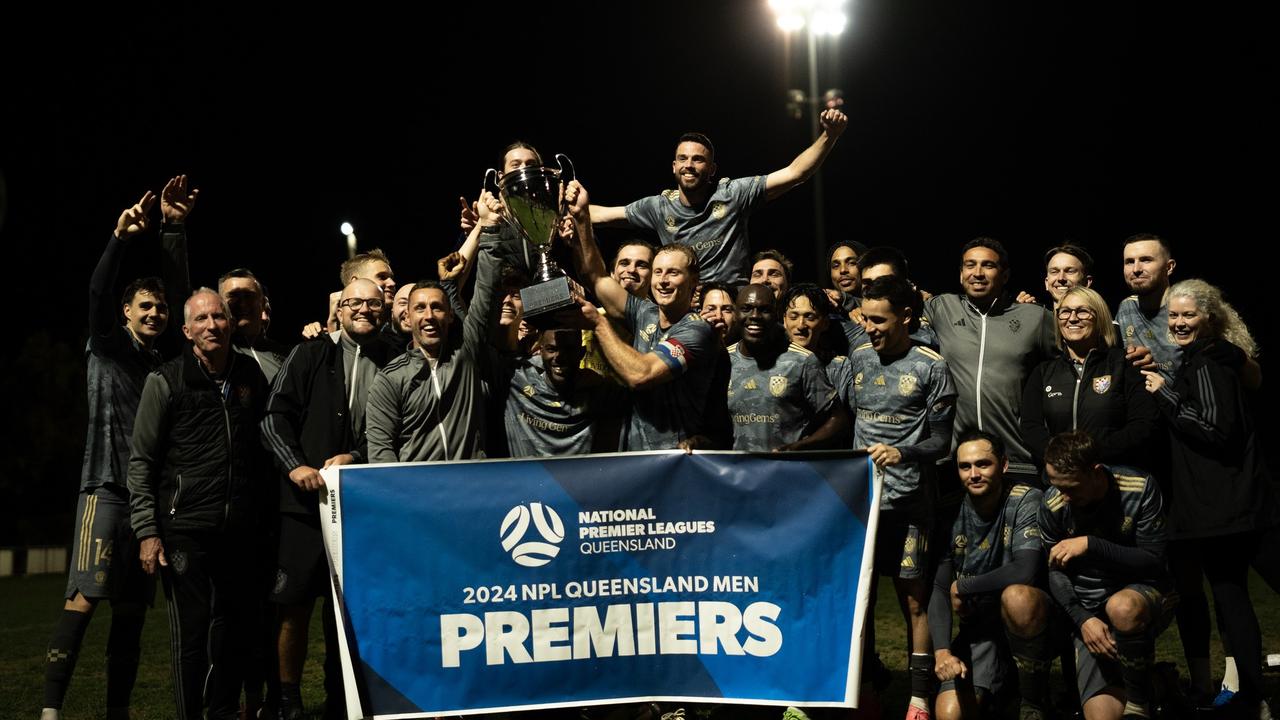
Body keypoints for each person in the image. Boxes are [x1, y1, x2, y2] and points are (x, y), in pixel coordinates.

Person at [41, 178, 193, 720]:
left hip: (147, 503)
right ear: (126, 311)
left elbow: (178, 287)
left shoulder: (165, 364)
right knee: (81, 604)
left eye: (160, 308)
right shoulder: (106, 347)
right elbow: (97, 293)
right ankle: (51, 710)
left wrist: (174, 229)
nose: (155, 313)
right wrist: (119, 238)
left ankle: (117, 713)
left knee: (130, 617)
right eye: (144, 306)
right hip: (105, 492)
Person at [127, 289, 271, 720]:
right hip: (184, 528)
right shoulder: (166, 381)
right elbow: (142, 462)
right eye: (202, 319)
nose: (213, 325)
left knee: (232, 628)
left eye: (219, 317)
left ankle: (222, 711)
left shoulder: (249, 375)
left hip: (239, 529)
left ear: (229, 324)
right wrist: (148, 531)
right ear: (187, 331)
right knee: (191, 633)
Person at [260, 278, 396, 719]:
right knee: (292, 606)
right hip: (301, 507)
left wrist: (357, 456)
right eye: (354, 302)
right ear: (338, 310)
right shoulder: (310, 352)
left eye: (373, 305)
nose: (363, 310)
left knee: (350, 612)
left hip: (361, 510)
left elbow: (393, 433)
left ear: (384, 310)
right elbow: (272, 416)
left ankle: (344, 696)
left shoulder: (394, 359)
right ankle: (288, 701)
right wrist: (294, 464)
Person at [1143, 279, 1274, 715]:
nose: (1179, 322)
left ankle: (1254, 695)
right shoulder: (1199, 358)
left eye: (1188, 315)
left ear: (1209, 318)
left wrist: (1164, 394)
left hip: (1234, 506)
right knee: (1231, 600)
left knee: (1234, 597)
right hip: (1220, 508)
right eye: (1174, 316)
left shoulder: (1208, 362)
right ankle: (1253, 697)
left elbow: (1219, 432)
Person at [849, 276, 957, 719]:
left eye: (879, 320)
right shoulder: (855, 360)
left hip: (910, 504)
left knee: (913, 601)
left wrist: (903, 451)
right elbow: (839, 420)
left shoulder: (931, 367)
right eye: (864, 318)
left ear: (906, 318)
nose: (869, 327)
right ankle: (867, 691)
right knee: (863, 603)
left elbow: (942, 443)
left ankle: (918, 698)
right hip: (861, 508)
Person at [589, 109, 848, 285]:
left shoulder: (733, 194)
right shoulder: (659, 207)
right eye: (683, 159)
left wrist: (830, 135)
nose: (689, 165)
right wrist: (557, 203)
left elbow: (796, 173)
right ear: (673, 166)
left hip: (733, 304)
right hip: (687, 308)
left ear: (711, 170)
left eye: (698, 159)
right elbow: (601, 214)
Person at [569, 180, 726, 451]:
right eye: (658, 272)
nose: (662, 281)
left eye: (673, 273)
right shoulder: (645, 312)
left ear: (693, 282)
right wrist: (582, 218)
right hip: (637, 460)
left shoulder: (696, 330)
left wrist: (598, 322)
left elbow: (641, 375)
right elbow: (597, 277)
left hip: (678, 463)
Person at [1038, 431, 1172, 720]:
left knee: (1121, 607)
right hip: (1089, 610)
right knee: (1100, 715)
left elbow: (1153, 561)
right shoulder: (1054, 503)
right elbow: (1055, 572)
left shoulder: (1139, 488)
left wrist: (1091, 544)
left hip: (1141, 595)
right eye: (1055, 485)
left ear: (1095, 472)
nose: (1063, 496)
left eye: (1071, 487)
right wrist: (1082, 618)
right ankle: (1159, 683)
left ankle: (1139, 704)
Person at [365, 208, 502, 462]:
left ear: (449, 316)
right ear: (407, 316)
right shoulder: (390, 378)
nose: (429, 315)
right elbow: (380, 451)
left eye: (437, 307)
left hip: (473, 486)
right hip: (420, 495)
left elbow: (486, 292)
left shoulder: (466, 354)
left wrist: (490, 228)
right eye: (420, 308)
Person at [931, 430, 1047, 720]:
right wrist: (942, 653)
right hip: (980, 631)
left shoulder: (1026, 499)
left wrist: (966, 586)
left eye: (983, 464)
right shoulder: (949, 510)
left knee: (1017, 596)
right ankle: (1000, 690)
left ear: (1004, 465)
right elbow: (940, 587)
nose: (974, 474)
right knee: (949, 714)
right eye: (965, 466)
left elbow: (1026, 570)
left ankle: (1033, 700)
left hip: (1028, 623)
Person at [925, 237, 1055, 485]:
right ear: (961, 273)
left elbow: (1074, 356)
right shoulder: (941, 308)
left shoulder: (1035, 317)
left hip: (1017, 459)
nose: (977, 273)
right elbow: (893, 307)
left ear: (1005, 275)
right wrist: (849, 304)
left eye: (988, 265)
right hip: (956, 462)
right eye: (970, 265)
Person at [1019, 286, 1157, 469]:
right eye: (1065, 312)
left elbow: (1143, 426)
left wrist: (1089, 454)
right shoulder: (1043, 373)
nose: (1073, 318)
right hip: (1061, 479)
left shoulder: (1126, 365)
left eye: (1082, 311)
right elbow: (1030, 428)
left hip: (1115, 477)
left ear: (1099, 317)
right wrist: (1062, 457)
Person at [725, 284, 846, 451]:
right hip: (736, 473)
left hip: (787, 471)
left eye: (764, 310)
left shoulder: (802, 361)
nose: (754, 316)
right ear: (735, 313)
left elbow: (838, 419)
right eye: (746, 309)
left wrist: (801, 447)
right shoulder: (723, 360)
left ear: (776, 315)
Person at [1015, 243, 1094, 309]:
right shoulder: (1034, 317)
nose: (1061, 278)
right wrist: (1020, 316)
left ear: (1087, 282)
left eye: (1070, 271)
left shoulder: (1100, 324)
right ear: (1046, 283)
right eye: (1054, 272)